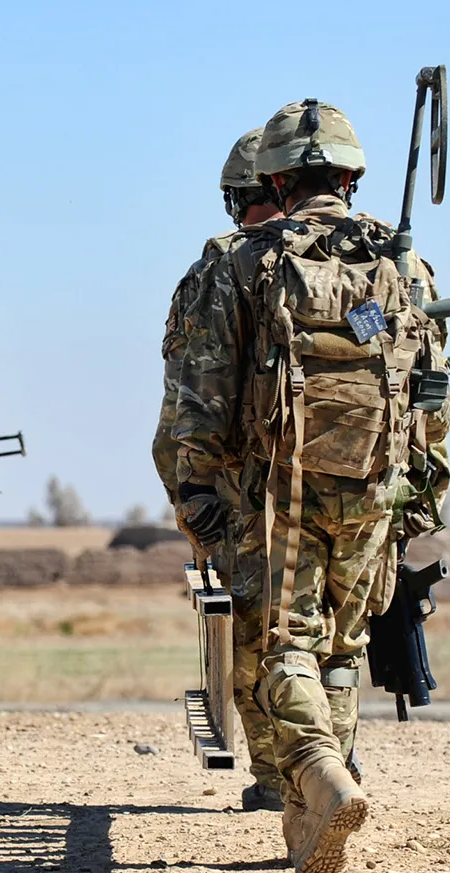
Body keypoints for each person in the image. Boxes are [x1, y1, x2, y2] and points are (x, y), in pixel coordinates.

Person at [170, 99, 450, 873]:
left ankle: (320, 776)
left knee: (284, 646)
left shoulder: (237, 261)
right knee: (342, 645)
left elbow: (195, 401)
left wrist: (195, 496)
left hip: (276, 491)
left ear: (276, 178)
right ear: (352, 174)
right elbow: (432, 395)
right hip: (377, 486)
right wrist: (416, 490)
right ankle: (312, 807)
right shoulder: (405, 265)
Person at [152, 128, 286, 812]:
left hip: (246, 497)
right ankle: (332, 753)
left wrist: (189, 494)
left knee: (250, 634)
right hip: (355, 482)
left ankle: (280, 774)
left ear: (241, 198)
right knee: (330, 637)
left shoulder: (219, 269)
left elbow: (187, 401)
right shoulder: (376, 261)